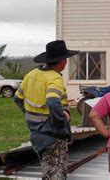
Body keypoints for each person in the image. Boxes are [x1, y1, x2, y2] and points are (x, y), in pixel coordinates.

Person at [13, 40, 79, 179]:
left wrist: (30, 115)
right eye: (66, 59)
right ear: (61, 61)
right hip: (52, 135)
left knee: (49, 171)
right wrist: (60, 122)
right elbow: (53, 102)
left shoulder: (31, 75)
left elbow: (18, 98)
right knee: (55, 174)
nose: (66, 63)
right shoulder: (54, 78)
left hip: (36, 133)